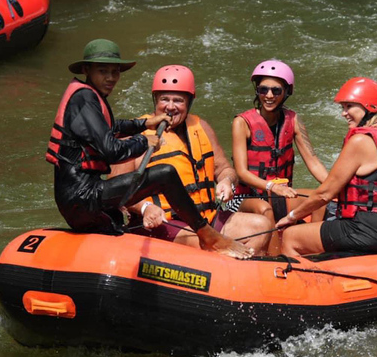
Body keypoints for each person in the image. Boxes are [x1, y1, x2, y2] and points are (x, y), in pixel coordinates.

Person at [46, 39, 251, 259]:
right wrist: (145, 141)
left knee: (116, 223)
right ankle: (208, 236)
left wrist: (143, 125)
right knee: (165, 173)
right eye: (103, 71)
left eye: (115, 72)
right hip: (82, 195)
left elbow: (112, 128)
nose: (111, 78)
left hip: (83, 194)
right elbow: (111, 150)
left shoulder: (91, 97)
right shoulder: (85, 98)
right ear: (86, 70)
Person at [110, 65, 273, 255]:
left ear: (189, 102)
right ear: (155, 99)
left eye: (178, 100)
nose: (170, 107)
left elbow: (224, 169)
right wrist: (145, 207)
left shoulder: (201, 127)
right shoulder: (133, 136)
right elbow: (116, 193)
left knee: (261, 226)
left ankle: (242, 272)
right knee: (204, 244)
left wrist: (227, 181)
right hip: (164, 222)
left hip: (206, 217)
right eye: (164, 99)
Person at [276, 77, 377, 257]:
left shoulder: (360, 140)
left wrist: (291, 217)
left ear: (369, 107)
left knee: (291, 236)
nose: (344, 113)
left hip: (372, 230)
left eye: (349, 106)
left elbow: (325, 194)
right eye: (343, 107)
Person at [231, 59, 328, 227]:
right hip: (245, 198)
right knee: (265, 209)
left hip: (279, 194)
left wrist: (335, 187)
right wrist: (271, 187)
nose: (269, 95)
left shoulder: (294, 120)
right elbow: (241, 173)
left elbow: (313, 162)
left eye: (276, 90)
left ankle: (310, 245)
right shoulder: (242, 123)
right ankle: (274, 253)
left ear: (286, 92)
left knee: (321, 199)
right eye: (263, 89)